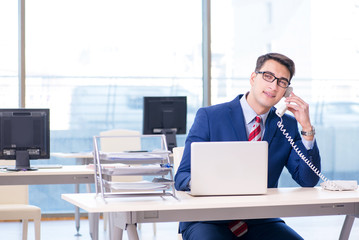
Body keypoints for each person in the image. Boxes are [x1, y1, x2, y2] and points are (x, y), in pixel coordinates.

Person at [174, 52, 321, 240]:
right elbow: (182, 176)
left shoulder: (287, 125)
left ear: (286, 91)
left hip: (259, 220)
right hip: (208, 219)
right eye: (268, 76)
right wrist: (206, 185)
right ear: (253, 78)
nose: (273, 86)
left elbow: (307, 180)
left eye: (282, 82)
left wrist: (307, 128)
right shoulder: (210, 117)